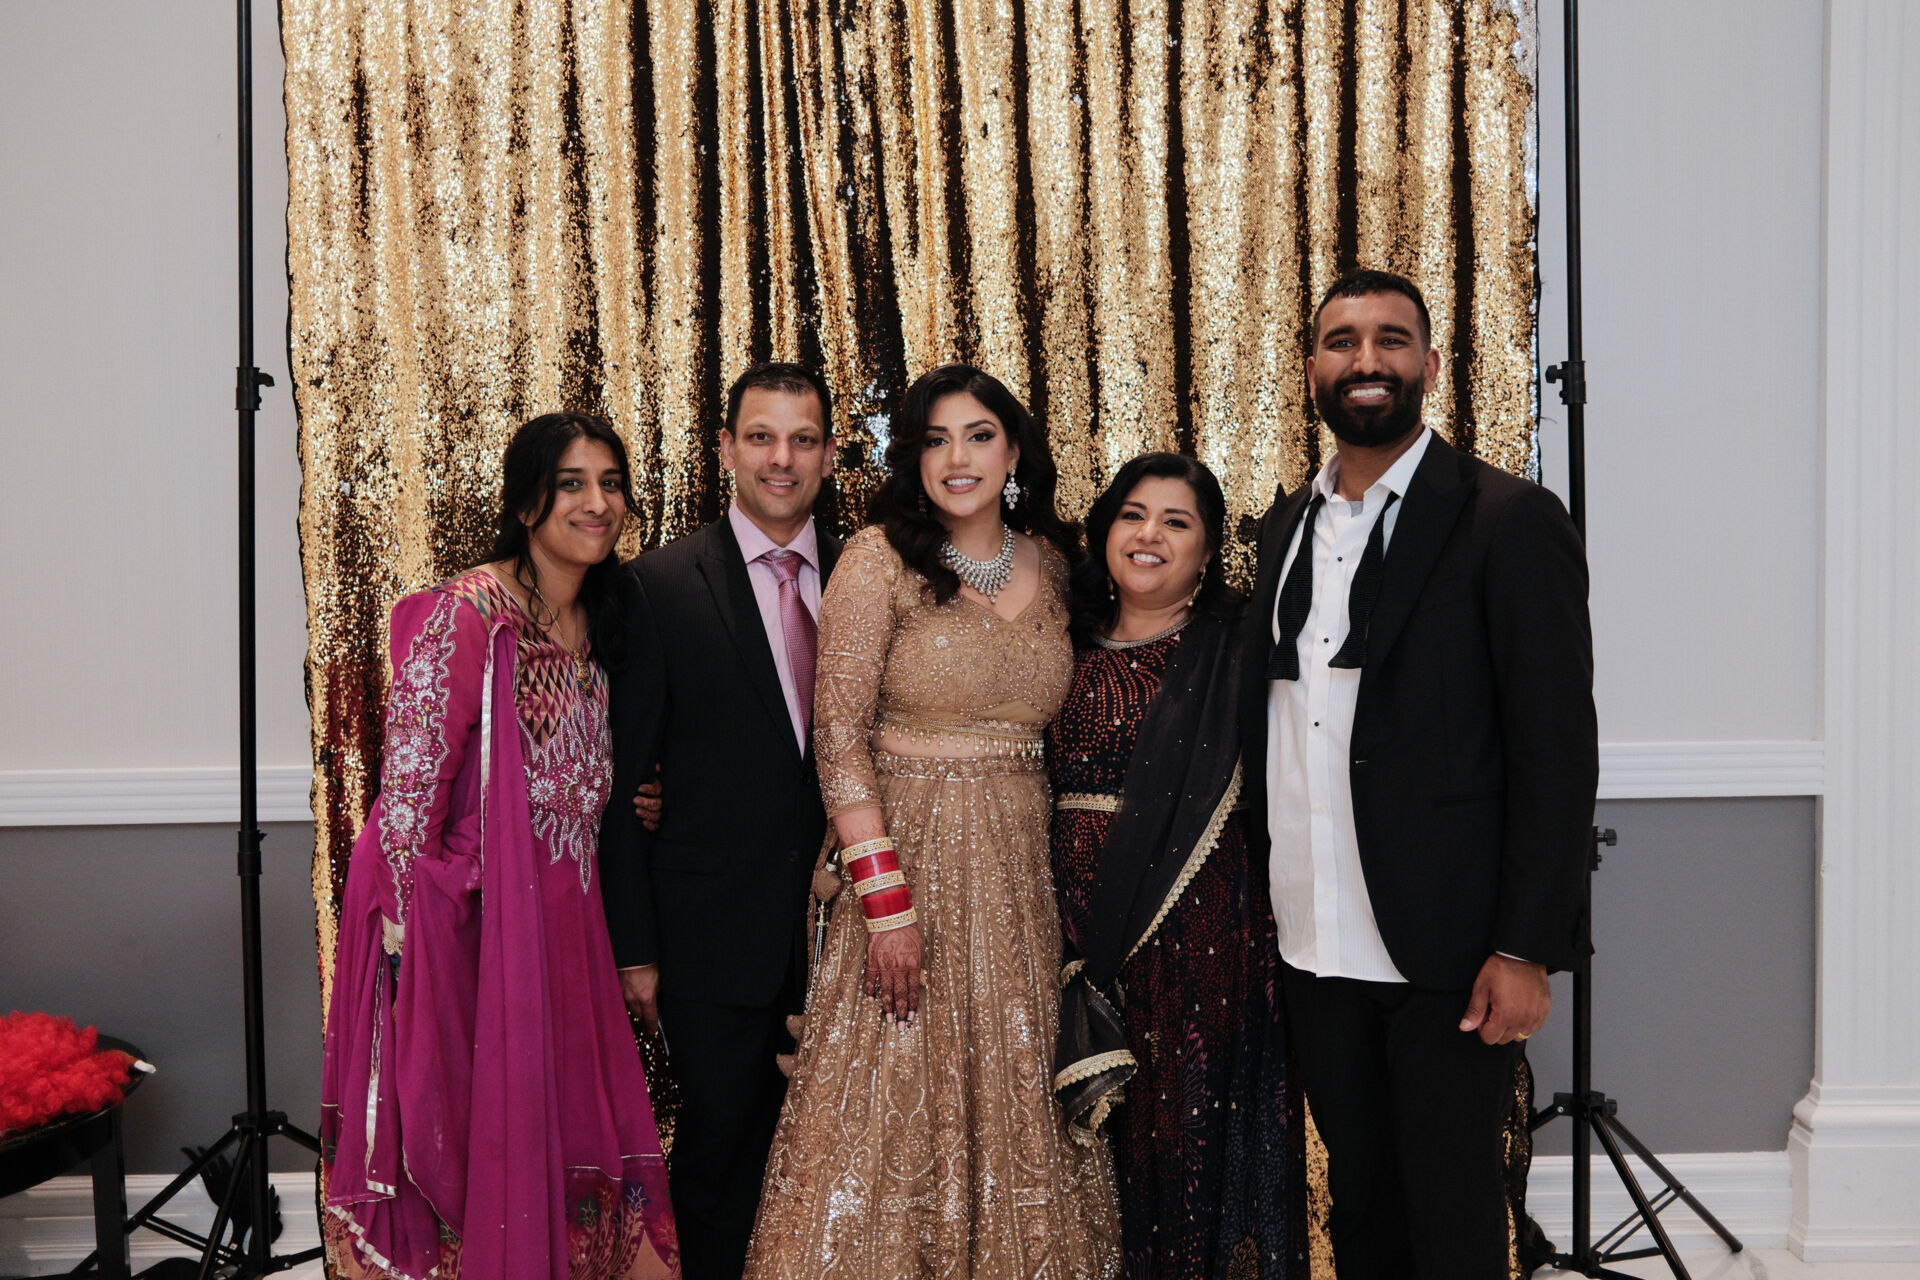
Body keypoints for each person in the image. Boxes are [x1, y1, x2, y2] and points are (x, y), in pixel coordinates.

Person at [1238, 268, 1597, 1279]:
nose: (1367, 360)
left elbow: (1557, 751)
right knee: (1362, 1206)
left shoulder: (1508, 518)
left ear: (1430, 366)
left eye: (1391, 340)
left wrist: (1526, 946)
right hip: (1312, 940)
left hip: (1450, 951)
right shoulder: (1285, 528)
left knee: (1452, 1217)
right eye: (1343, 340)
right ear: (1313, 367)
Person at [743, 364, 1119, 1280]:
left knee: (1016, 1095)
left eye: (979, 436)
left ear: (1013, 451)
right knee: (886, 1098)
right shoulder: (880, 560)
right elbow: (838, 737)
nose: (959, 459)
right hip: (905, 868)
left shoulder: (1056, 566)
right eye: (937, 439)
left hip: (1019, 881)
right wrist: (886, 904)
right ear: (912, 458)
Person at [319, 412, 678, 1280]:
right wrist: (410, 952)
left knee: (564, 1140)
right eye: (571, 485)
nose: (598, 504)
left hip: (567, 926)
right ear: (526, 505)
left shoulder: (603, 617)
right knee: (476, 1141)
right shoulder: (469, 613)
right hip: (471, 930)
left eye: (611, 484)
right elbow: (410, 793)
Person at [598, 363, 842, 1280]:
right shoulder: (657, 584)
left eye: (803, 439)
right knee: (720, 1162)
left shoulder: (868, 573)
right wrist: (635, 948)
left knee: (840, 1164)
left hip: (848, 932)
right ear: (728, 447)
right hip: (710, 937)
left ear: (829, 454)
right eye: (762, 437)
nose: (782, 459)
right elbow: (624, 783)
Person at [1049, 452, 1307, 1280]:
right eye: (1133, 515)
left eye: (1176, 521)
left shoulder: (1236, 649)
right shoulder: (1056, 637)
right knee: (1094, 1151)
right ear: (1105, 530)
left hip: (1205, 936)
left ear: (1208, 549)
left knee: (1190, 1137)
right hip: (1066, 930)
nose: (1149, 535)